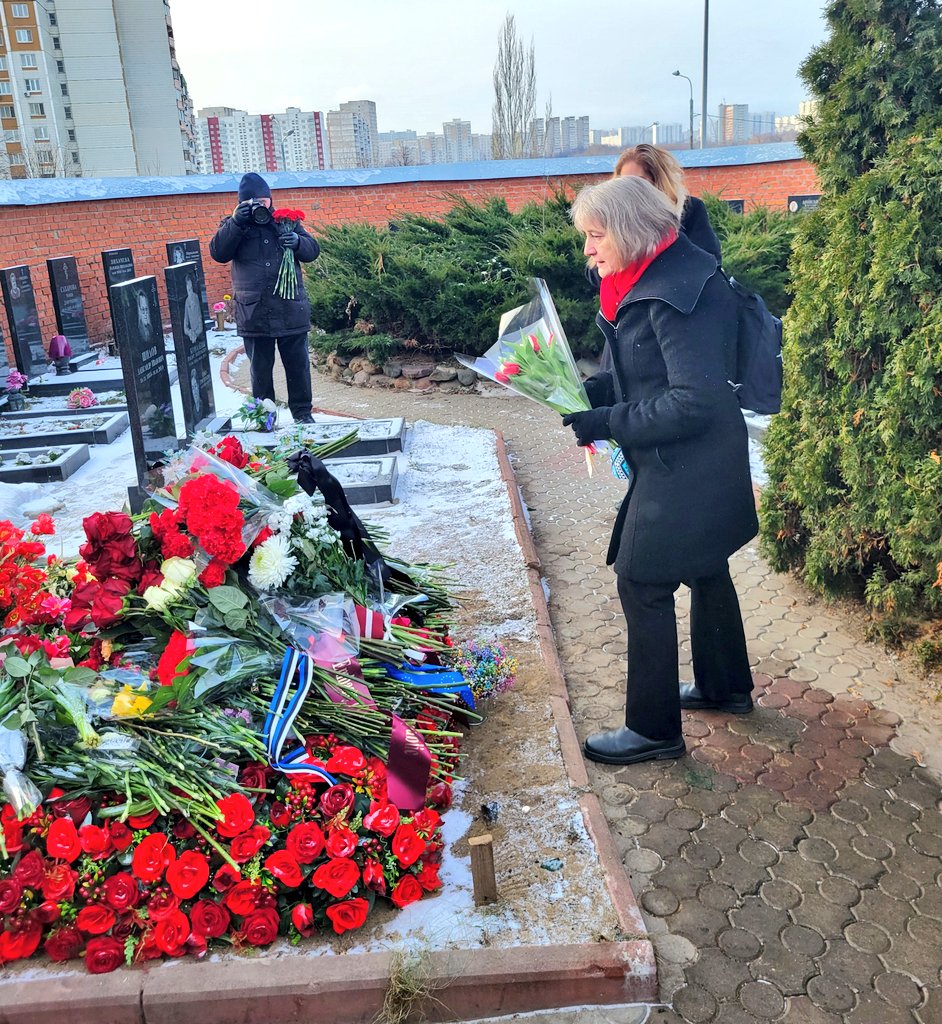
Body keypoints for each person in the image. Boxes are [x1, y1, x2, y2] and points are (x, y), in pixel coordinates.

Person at [563, 175, 757, 766]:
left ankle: (653, 731)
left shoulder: (675, 293)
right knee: (705, 565)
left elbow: (694, 401)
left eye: (596, 235)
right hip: (698, 459)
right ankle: (725, 688)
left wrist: (607, 421)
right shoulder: (662, 274)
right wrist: (588, 393)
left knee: (641, 581)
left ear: (628, 230)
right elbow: (648, 370)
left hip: (689, 463)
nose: (589, 249)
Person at [210, 172, 319, 424]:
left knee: (298, 366)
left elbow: (312, 251)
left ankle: (302, 414)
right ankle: (264, 417)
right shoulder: (233, 224)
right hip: (254, 311)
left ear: (271, 199)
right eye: (252, 201)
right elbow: (218, 253)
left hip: (290, 307)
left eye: (263, 200)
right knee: (260, 370)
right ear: (241, 203)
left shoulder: (286, 222)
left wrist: (298, 242)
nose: (260, 205)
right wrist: (237, 222)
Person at [613, 143, 721, 260]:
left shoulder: (690, 209)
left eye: (639, 181)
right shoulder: (614, 216)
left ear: (658, 181)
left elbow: (709, 259)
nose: (631, 187)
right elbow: (601, 264)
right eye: (624, 182)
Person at [183, 274, 203, 344]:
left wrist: (195, 333)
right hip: (192, 334)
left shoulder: (196, 297)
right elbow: (185, 322)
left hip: (198, 333)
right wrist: (190, 333)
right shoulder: (187, 301)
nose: (190, 292)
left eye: (191, 289)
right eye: (188, 290)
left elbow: (200, 319)